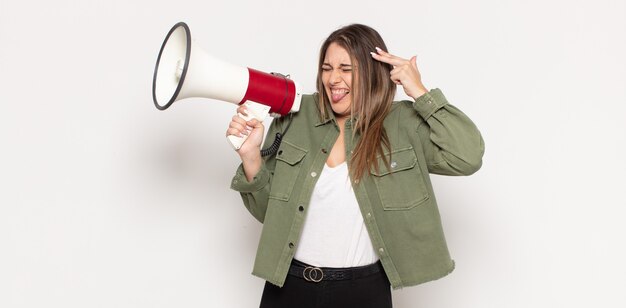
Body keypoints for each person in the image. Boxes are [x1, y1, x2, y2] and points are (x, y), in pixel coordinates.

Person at [226, 23, 484, 308]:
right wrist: (251, 157)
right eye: (326, 68)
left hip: (363, 291)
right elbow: (269, 213)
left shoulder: (402, 122)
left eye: (346, 69)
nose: (333, 79)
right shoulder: (295, 116)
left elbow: (468, 156)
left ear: (372, 73)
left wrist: (420, 92)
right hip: (288, 287)